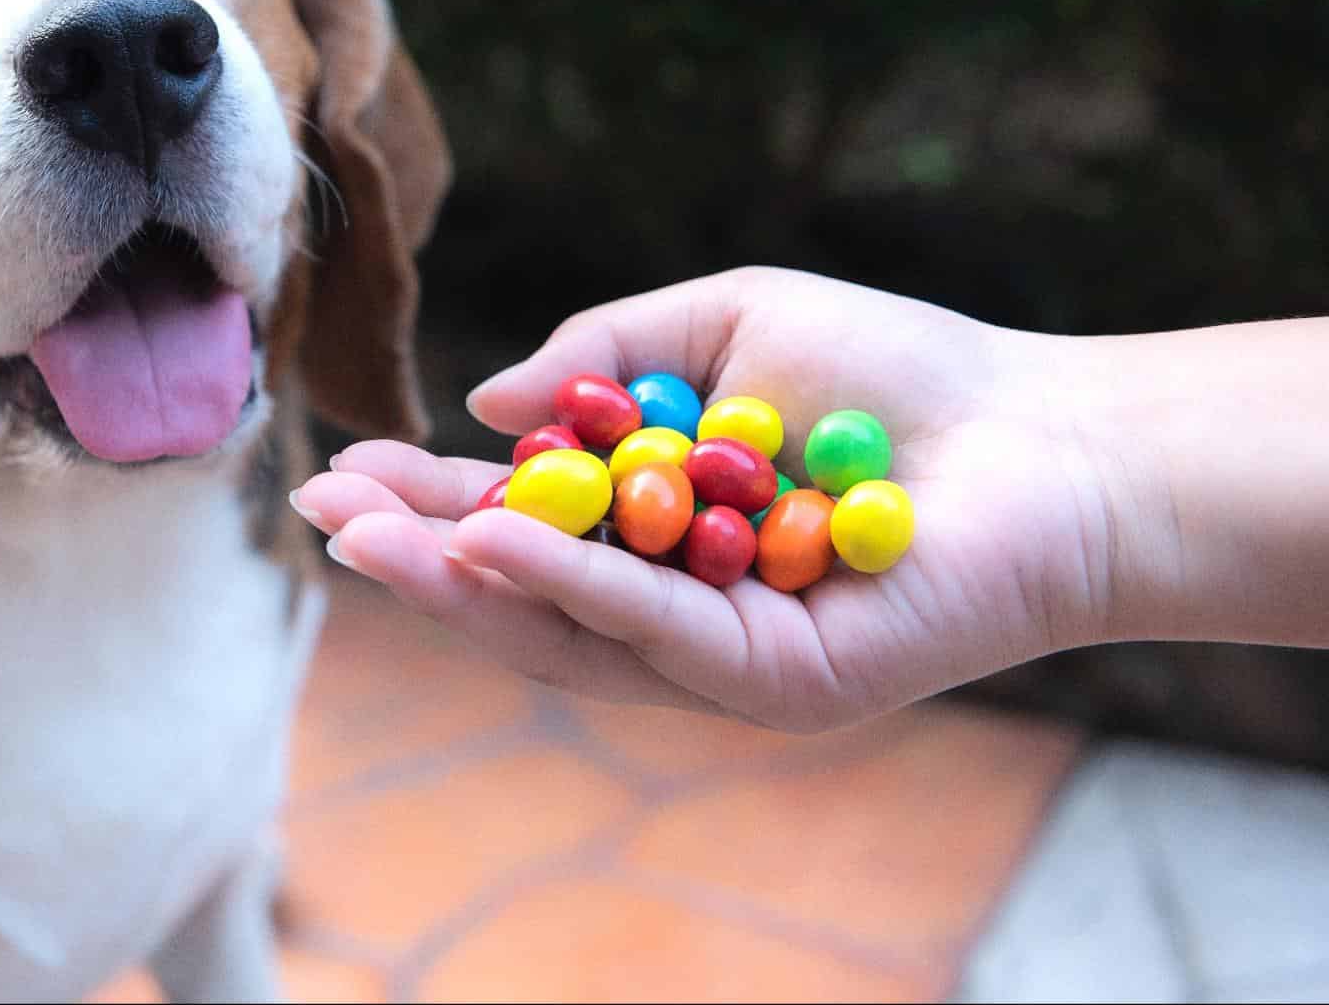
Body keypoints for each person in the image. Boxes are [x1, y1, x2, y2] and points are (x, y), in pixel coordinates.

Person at [288, 266, 1329, 733]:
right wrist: (1077, 470)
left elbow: (711, 509)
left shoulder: (748, 485)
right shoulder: (657, 466)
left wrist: (1074, 469)